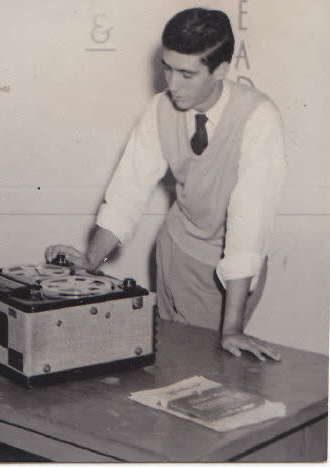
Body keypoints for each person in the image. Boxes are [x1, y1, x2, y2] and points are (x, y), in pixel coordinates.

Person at [45, 8, 286, 362]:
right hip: (175, 252)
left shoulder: (259, 117)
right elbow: (128, 192)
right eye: (167, 68)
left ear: (220, 70)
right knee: (167, 363)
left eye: (187, 74)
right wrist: (89, 263)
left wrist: (232, 327)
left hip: (230, 271)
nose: (172, 85)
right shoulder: (160, 108)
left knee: (204, 368)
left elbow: (248, 224)